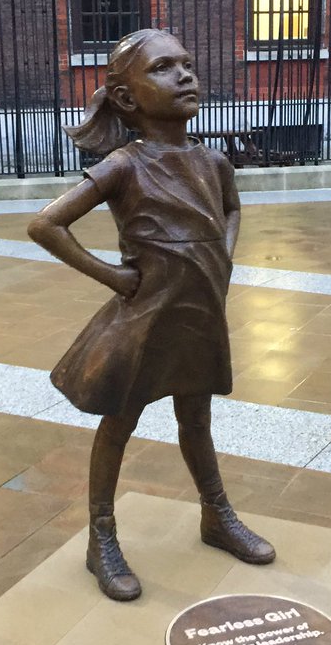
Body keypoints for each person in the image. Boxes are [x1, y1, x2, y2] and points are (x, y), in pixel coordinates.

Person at [28, 29, 275, 602]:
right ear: (126, 98)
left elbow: (233, 209)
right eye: (163, 68)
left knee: (197, 417)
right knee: (120, 421)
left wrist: (224, 253)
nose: (184, 74)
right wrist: (114, 278)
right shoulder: (124, 165)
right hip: (148, 316)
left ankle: (216, 515)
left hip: (200, 310)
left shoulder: (213, 160)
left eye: (186, 63)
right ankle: (102, 538)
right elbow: (45, 224)